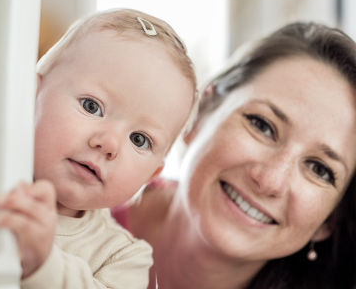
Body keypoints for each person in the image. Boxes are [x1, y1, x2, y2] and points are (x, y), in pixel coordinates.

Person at [113, 22, 356, 289]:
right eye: (262, 125)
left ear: (331, 219)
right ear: (202, 113)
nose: (270, 180)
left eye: (320, 169)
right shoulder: (69, 209)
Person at [0, 9, 198, 289]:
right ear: (31, 95)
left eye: (139, 139)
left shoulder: (125, 258)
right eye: (92, 106)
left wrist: (43, 265)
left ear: (151, 175)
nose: (109, 144)